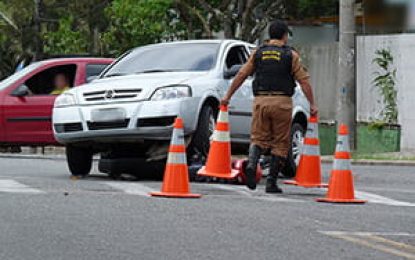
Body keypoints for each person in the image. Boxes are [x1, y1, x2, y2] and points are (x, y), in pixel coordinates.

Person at [221, 20, 318, 193]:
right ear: (285, 36)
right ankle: (271, 182)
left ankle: (251, 164)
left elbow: (242, 74)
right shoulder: (291, 55)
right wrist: (312, 104)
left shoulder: (258, 52)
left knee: (258, 138)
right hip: (282, 103)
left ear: (269, 35)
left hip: (261, 101)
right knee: (280, 143)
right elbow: (304, 81)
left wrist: (227, 96)